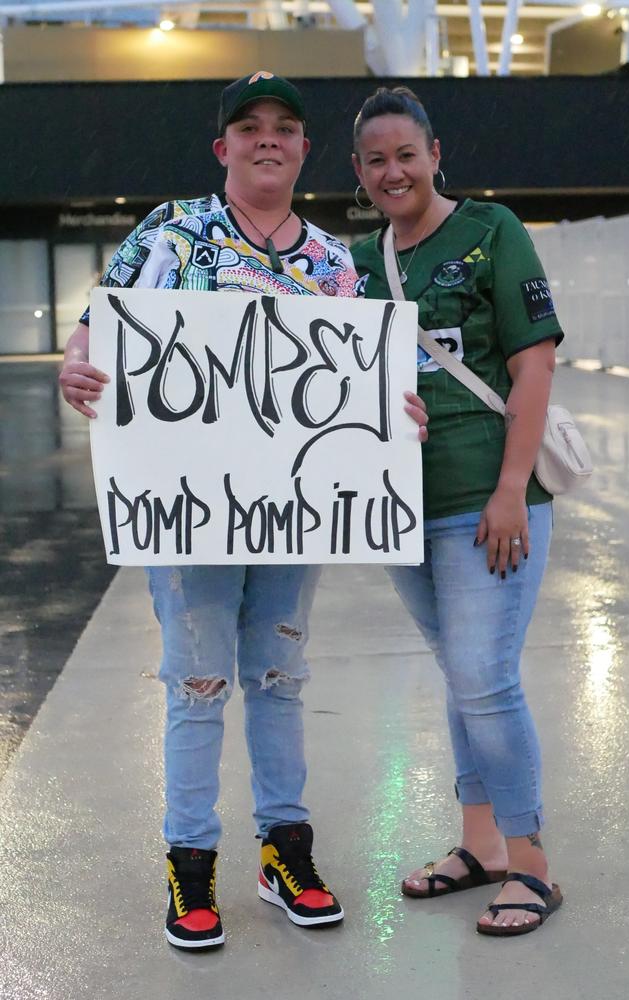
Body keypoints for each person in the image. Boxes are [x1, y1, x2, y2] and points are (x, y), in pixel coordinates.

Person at [60, 72, 428, 951]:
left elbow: (366, 379)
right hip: (191, 512)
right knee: (196, 685)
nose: (268, 139)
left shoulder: (337, 263)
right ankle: (190, 862)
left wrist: (393, 409)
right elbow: (95, 329)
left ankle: (284, 849)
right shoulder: (172, 231)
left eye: (285, 128)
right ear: (222, 147)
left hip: (292, 514)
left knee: (280, 678)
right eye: (250, 127)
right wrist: (74, 365)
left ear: (304, 151)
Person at [350, 86, 563, 938]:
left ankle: (533, 863)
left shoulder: (493, 231)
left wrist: (512, 487)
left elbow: (534, 365)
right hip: (402, 509)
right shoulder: (358, 263)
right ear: (359, 173)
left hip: (487, 502)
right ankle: (482, 847)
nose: (393, 170)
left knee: (485, 678)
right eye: (376, 159)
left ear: (435, 154)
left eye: (407, 153)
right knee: (463, 679)